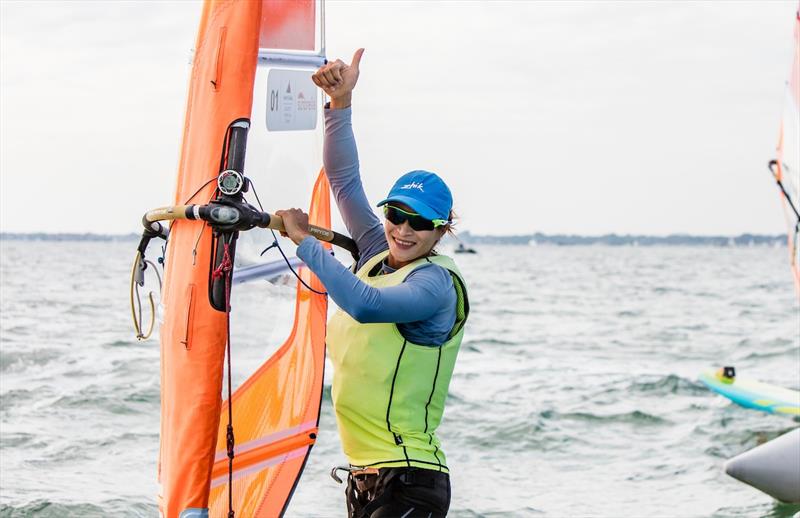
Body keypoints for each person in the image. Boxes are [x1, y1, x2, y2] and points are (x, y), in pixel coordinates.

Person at [276, 48, 469, 518]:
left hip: (412, 479)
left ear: (442, 230)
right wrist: (340, 104)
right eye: (395, 214)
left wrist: (306, 244)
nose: (403, 230)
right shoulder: (375, 252)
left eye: (419, 223)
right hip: (366, 480)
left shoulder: (436, 286)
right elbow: (344, 179)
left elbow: (364, 305)